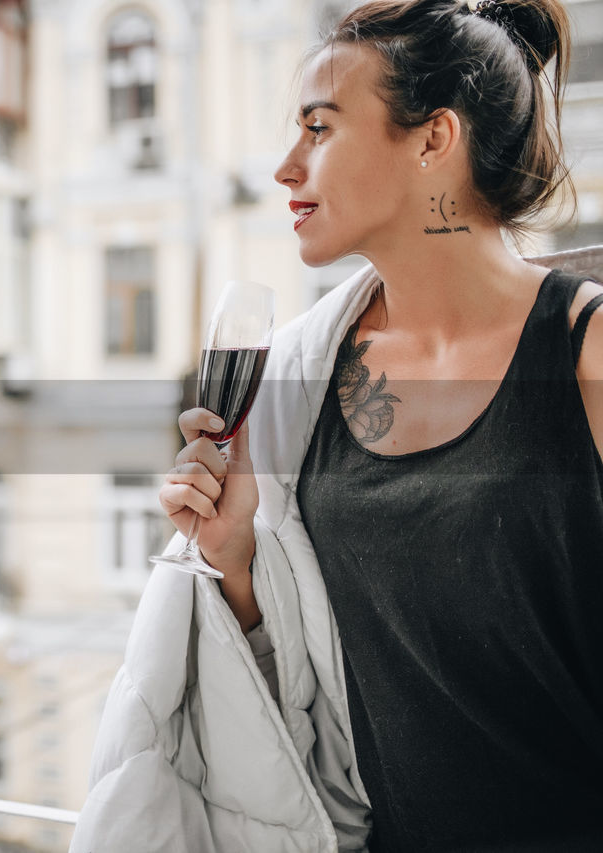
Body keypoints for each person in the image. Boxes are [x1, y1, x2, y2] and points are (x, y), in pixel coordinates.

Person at [70, 0, 603, 850]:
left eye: (319, 129)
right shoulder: (296, 382)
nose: (286, 167)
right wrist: (232, 555)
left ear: (433, 141)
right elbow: (304, 693)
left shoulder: (584, 352)